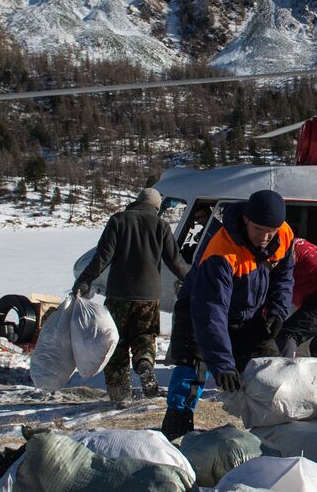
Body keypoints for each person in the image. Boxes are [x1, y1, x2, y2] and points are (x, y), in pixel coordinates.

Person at [160, 190, 295, 439]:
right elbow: (212, 311)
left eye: (271, 231)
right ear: (245, 219)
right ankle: (175, 433)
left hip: (246, 314)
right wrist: (222, 364)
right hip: (198, 310)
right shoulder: (221, 252)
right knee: (191, 375)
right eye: (258, 229)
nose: (265, 237)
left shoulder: (284, 234)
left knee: (271, 370)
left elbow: (284, 277)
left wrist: (278, 308)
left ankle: (274, 437)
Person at [73, 187, 181, 405]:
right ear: (156, 207)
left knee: (117, 344)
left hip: (118, 294)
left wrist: (84, 281)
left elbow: (102, 257)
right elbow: (175, 261)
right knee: (145, 336)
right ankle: (145, 363)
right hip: (149, 296)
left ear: (137, 201)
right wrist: (196, 280)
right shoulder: (161, 225)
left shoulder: (118, 220)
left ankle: (120, 395)